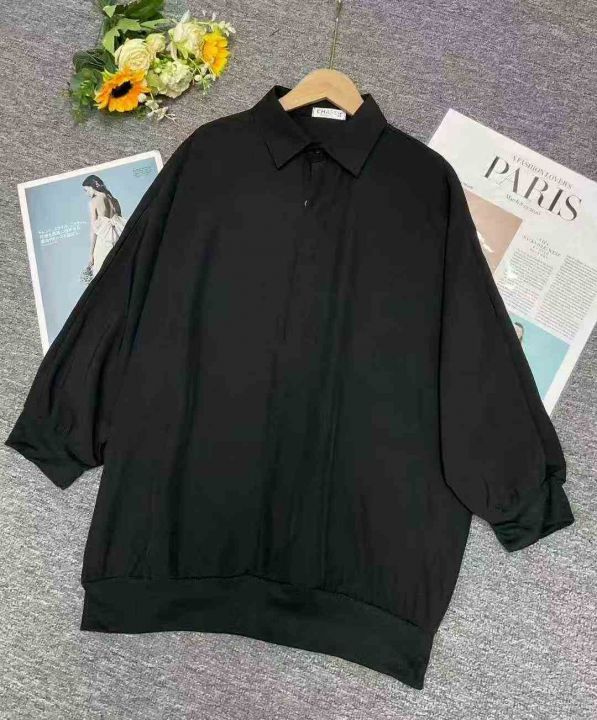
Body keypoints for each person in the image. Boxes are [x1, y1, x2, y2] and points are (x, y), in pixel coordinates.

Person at [81, 175, 127, 279]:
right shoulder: (114, 200)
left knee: (102, 275)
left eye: (86, 190)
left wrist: (91, 254)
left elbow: (93, 230)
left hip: (103, 242)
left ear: (92, 186)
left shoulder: (93, 202)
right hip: (118, 238)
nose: (86, 193)